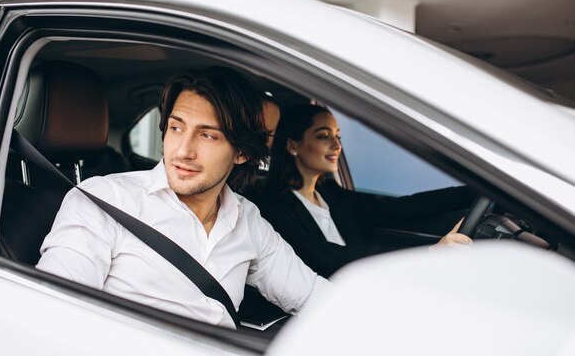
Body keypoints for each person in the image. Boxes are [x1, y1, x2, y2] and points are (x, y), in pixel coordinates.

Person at [36, 67, 329, 329]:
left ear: (243, 153)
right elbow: (50, 315)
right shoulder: (104, 199)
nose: (182, 151)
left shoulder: (246, 219)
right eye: (176, 128)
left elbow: (313, 297)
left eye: (207, 135)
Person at [260, 104, 476, 278]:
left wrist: (473, 192)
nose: (337, 145)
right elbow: (320, 255)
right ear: (293, 146)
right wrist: (427, 254)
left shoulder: (333, 196)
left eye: (338, 136)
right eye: (324, 136)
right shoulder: (272, 208)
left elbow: (400, 207)